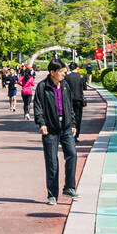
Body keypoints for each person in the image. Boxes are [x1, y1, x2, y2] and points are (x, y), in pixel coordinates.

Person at [33, 58, 79, 205]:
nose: (63, 75)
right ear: (52, 72)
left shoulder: (65, 85)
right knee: (52, 162)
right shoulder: (42, 87)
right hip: (50, 129)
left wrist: (72, 122)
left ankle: (69, 187)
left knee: (72, 154)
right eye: (60, 72)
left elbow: (69, 105)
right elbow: (38, 106)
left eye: (64, 72)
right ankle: (52, 195)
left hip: (65, 127)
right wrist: (41, 123)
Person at [64, 61, 88, 140]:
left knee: (69, 116)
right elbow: (84, 87)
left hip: (69, 99)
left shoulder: (67, 77)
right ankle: (76, 135)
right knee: (78, 117)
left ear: (70, 68)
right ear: (77, 67)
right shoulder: (81, 76)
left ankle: (70, 133)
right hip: (79, 99)